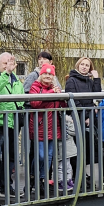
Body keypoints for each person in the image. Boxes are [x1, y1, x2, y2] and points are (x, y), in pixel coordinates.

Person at [0, 52, 25, 201]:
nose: (8, 66)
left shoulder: (16, 80)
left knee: (10, 157)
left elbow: (21, 98)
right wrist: (7, 72)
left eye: (11, 64)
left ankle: (6, 186)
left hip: (12, 122)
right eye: (5, 64)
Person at [29, 63, 66, 195]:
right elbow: (34, 103)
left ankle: (43, 180)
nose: (47, 76)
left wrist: (61, 95)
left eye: (50, 74)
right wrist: (51, 92)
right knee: (41, 155)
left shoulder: (55, 88)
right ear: (41, 75)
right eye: (45, 73)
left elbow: (62, 104)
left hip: (53, 126)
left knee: (49, 156)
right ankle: (33, 177)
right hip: (39, 126)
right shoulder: (35, 86)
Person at [64, 56, 101, 186]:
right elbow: (74, 100)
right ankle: (76, 175)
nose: (84, 67)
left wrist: (96, 79)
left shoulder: (90, 82)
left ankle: (82, 174)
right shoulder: (72, 80)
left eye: (87, 65)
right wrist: (85, 116)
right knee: (76, 148)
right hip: (77, 119)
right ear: (78, 65)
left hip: (89, 118)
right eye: (82, 64)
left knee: (87, 148)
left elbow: (96, 96)